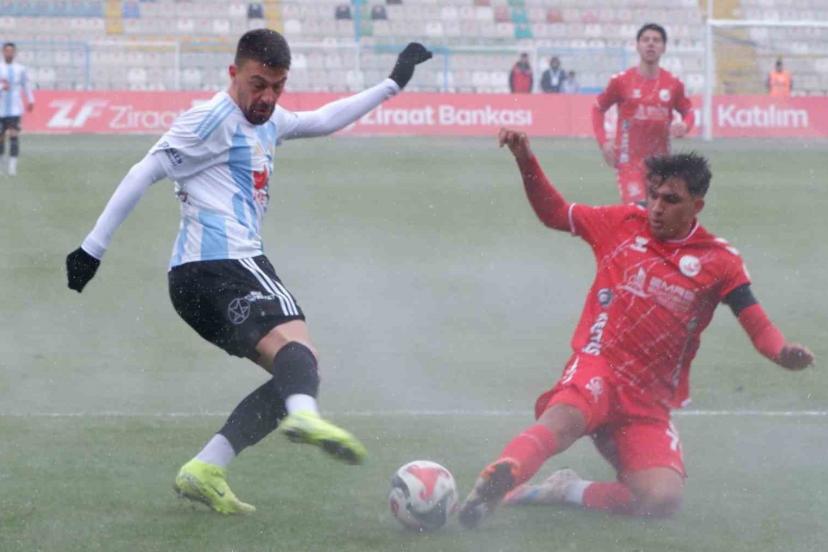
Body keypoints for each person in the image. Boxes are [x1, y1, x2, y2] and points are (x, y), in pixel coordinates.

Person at [65, 29, 431, 515]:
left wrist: (393, 83)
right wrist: (91, 250)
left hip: (198, 282)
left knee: (297, 371)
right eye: (258, 84)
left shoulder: (269, 120)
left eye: (277, 87)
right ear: (234, 73)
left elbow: (322, 119)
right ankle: (305, 417)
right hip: (222, 264)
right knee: (300, 360)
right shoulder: (210, 120)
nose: (267, 98)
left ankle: (206, 468)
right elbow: (144, 170)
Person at [458, 128, 814, 528]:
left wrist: (782, 351)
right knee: (564, 420)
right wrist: (525, 158)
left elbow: (758, 326)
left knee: (661, 500)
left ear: (697, 205)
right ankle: (501, 478)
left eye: (670, 200)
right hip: (600, 366)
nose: (656, 207)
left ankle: (564, 490)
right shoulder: (622, 223)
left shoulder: (720, 261)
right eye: (653, 196)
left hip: (647, 399)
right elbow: (554, 212)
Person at [592, 23, 694, 205]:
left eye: (656, 40)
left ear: (664, 47)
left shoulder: (673, 84)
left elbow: (688, 111)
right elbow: (598, 108)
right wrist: (604, 143)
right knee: (637, 209)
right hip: (629, 163)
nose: (651, 43)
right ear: (637, 46)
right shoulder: (621, 81)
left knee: (658, 215)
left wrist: (685, 125)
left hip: (661, 165)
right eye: (645, 40)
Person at [0, 42, 34, 176]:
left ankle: (12, 167)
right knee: (1, 138)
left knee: (14, 136)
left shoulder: (21, 69)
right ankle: (1, 164)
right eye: (6, 51)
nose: (9, 53)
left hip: (15, 109)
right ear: (3, 52)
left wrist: (31, 100)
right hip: (0, 109)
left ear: (14, 53)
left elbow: (26, 85)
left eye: (11, 51)